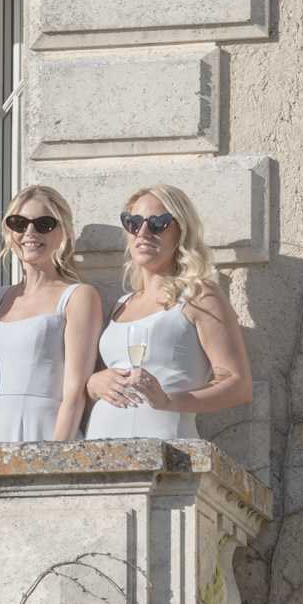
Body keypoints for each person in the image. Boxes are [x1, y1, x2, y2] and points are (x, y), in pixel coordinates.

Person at [85, 185, 252, 441]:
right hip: (102, 443)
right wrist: (93, 384)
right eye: (133, 223)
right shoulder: (121, 304)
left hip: (166, 442)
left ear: (181, 231)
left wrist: (168, 401)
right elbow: (99, 378)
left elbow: (238, 386)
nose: (143, 232)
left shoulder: (199, 295)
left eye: (157, 223)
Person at [0, 185, 102, 442]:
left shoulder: (78, 296)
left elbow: (75, 390)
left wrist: (55, 454)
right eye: (19, 223)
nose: (30, 232)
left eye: (44, 224)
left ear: (63, 232)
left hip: (47, 431)